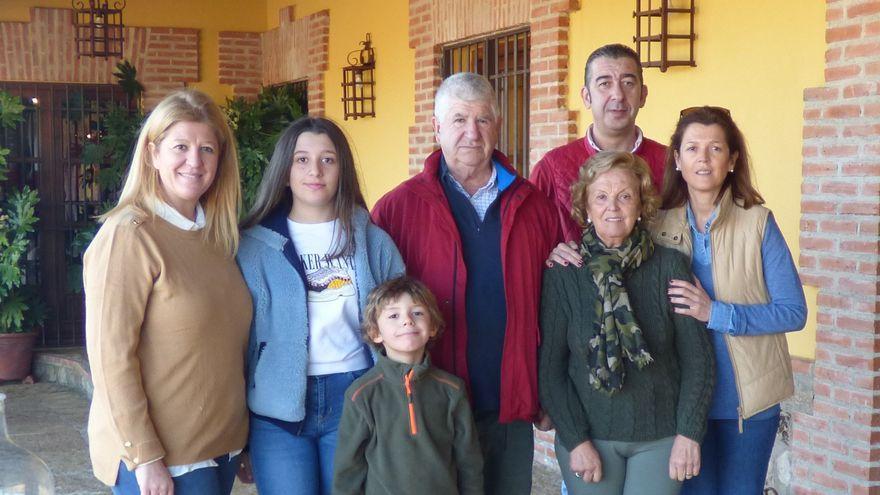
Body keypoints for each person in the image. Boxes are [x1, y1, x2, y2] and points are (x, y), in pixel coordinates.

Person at [371, 72, 559, 495]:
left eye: (483, 120)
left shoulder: (534, 206)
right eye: (458, 120)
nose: (471, 133)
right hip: (427, 403)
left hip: (508, 400)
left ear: (497, 125)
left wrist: (547, 389)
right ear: (437, 127)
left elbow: (554, 305)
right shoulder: (396, 209)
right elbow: (373, 308)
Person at [84, 89, 251, 495]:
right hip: (165, 463)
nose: (194, 161)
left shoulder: (218, 236)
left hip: (220, 449)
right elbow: (110, 359)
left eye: (207, 149)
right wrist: (144, 456)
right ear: (152, 154)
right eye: (181, 146)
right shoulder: (129, 235)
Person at [236, 117, 404, 495]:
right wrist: (239, 430)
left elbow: (401, 327)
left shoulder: (373, 241)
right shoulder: (253, 247)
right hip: (277, 409)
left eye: (328, 160)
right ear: (284, 171)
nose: (315, 170)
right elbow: (239, 340)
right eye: (302, 160)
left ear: (342, 169)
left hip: (355, 397)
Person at [539, 151, 715, 495]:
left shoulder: (670, 267)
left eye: (625, 196)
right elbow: (550, 370)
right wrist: (576, 440)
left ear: (641, 205)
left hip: (661, 437)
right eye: (601, 197)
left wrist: (689, 433)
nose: (613, 207)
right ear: (586, 209)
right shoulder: (564, 274)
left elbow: (699, 360)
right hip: (588, 437)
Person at [657, 106, 807, 495]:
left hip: (749, 405)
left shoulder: (758, 222)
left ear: (733, 159)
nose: (703, 160)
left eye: (715, 149)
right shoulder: (657, 227)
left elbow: (793, 311)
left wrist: (716, 313)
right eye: (692, 149)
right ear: (677, 159)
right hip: (684, 405)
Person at [333, 275, 484, 495]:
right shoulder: (361, 395)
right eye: (394, 315)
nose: (407, 320)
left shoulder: (452, 390)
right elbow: (348, 472)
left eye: (418, 313)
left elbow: (469, 462)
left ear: (432, 326)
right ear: (375, 332)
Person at [531, 43, 667, 242]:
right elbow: (530, 241)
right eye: (604, 84)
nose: (618, 95)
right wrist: (549, 255)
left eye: (628, 83)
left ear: (643, 95)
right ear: (586, 97)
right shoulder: (552, 168)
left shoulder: (670, 164)